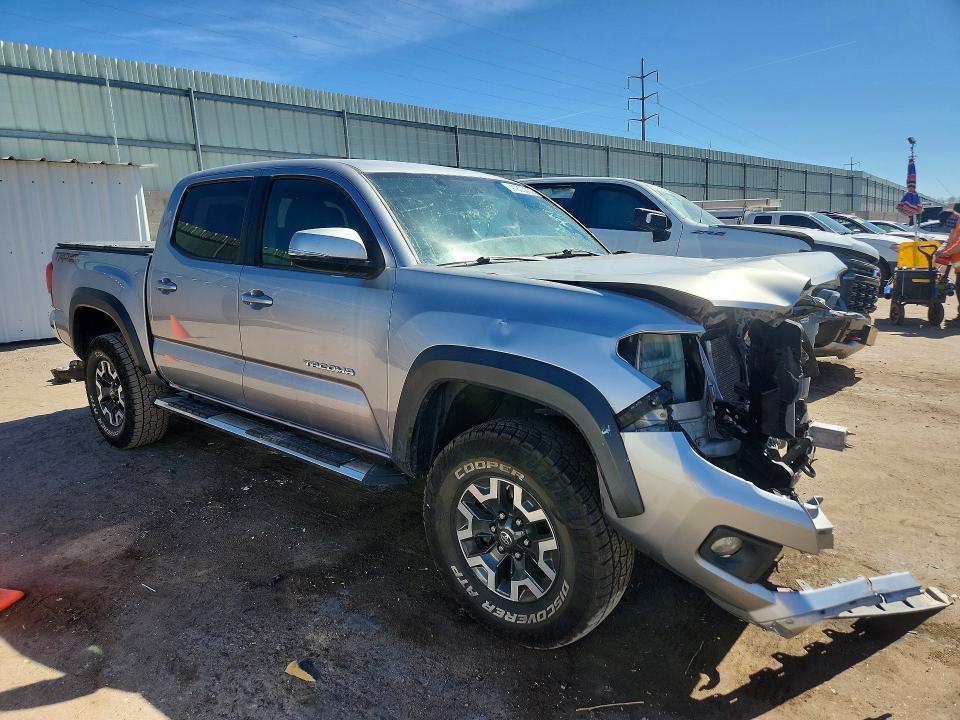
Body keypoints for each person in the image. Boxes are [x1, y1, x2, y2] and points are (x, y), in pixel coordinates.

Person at [936, 209, 960, 326]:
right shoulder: (955, 227)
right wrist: (941, 249)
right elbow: (949, 241)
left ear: (951, 217)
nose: (946, 225)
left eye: (946, 222)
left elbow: (958, 245)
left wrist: (946, 252)